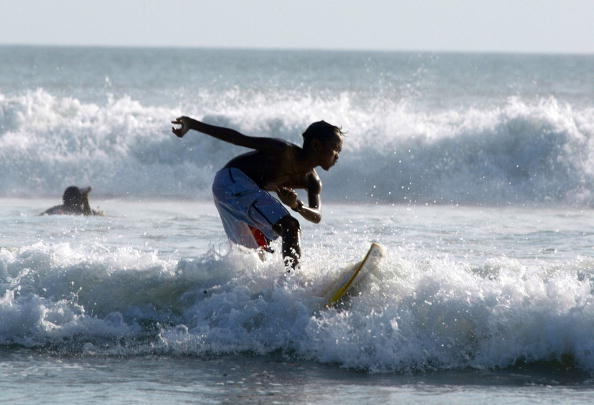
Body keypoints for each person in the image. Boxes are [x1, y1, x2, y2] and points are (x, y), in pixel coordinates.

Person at [171, 116, 343, 270]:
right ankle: (293, 282)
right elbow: (237, 138)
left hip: (238, 194)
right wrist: (192, 125)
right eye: (335, 149)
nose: (337, 156)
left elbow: (316, 216)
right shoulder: (282, 150)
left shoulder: (312, 181)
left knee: (255, 260)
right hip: (232, 181)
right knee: (290, 226)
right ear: (316, 145)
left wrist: (297, 205)